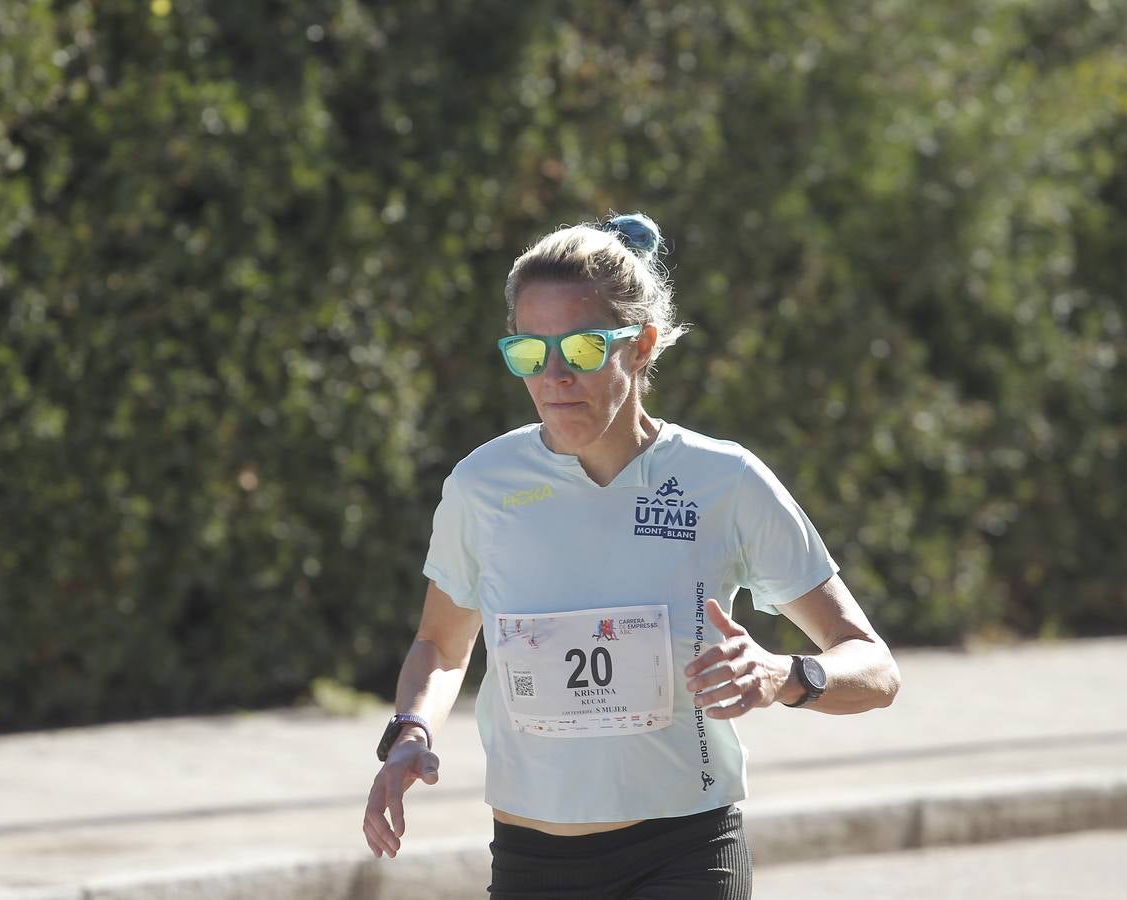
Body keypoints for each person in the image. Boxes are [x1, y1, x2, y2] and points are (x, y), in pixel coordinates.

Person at [362, 212, 901, 899]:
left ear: (641, 345)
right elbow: (440, 648)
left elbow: (874, 666)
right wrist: (411, 732)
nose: (554, 375)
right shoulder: (482, 485)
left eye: (583, 349)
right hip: (533, 861)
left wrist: (783, 675)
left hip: (685, 850)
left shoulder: (724, 481)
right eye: (530, 352)